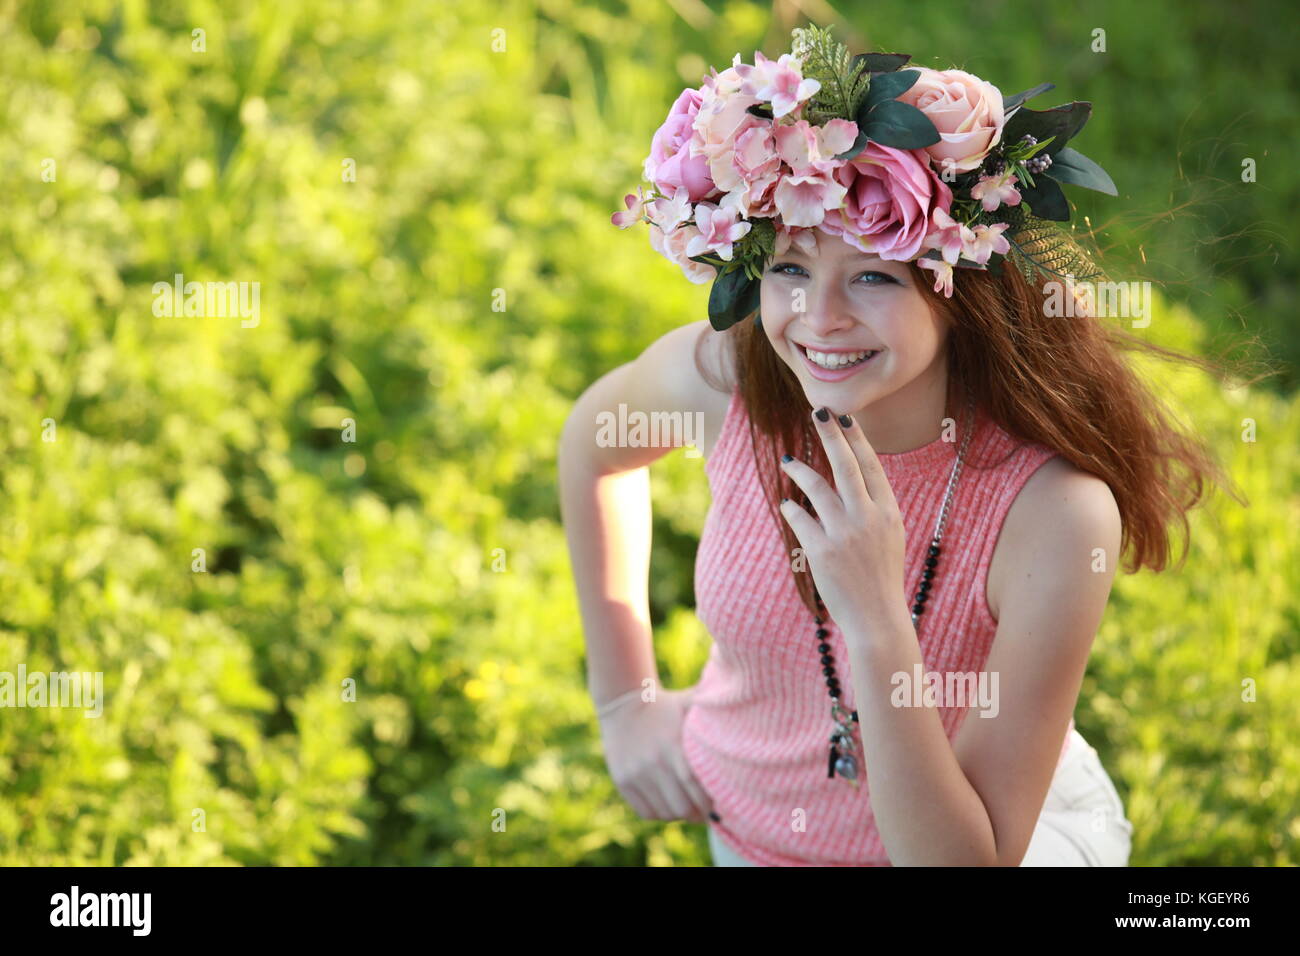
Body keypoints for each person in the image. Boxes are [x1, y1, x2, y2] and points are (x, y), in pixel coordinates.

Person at [559, 26, 1241, 866]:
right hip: (752, 838)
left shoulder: (1052, 513)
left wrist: (878, 620)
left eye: (874, 275)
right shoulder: (731, 379)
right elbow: (592, 450)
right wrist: (625, 702)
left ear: (961, 290)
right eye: (790, 268)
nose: (820, 318)